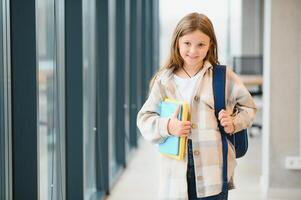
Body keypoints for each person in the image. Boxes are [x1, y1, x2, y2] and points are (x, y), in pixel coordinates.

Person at [137, 12, 257, 200]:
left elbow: (249, 108)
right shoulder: (164, 81)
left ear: (210, 45)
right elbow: (144, 119)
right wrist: (168, 126)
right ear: (177, 42)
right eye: (187, 43)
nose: (193, 51)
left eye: (200, 44)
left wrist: (233, 122)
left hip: (214, 174)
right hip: (174, 176)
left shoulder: (222, 78)